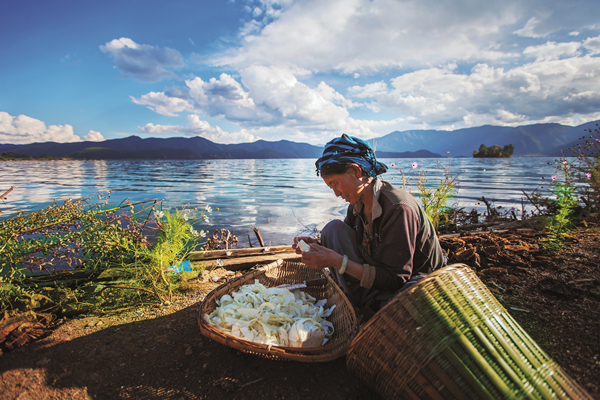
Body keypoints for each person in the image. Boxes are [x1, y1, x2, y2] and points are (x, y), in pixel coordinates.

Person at [293, 134, 446, 310]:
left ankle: (368, 305)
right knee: (331, 230)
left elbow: (397, 279)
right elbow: (346, 244)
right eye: (331, 187)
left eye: (335, 183)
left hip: (416, 287)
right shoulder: (357, 205)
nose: (335, 193)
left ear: (355, 171)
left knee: (405, 302)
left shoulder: (398, 208)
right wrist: (317, 247)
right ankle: (363, 302)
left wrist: (337, 262)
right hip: (379, 281)